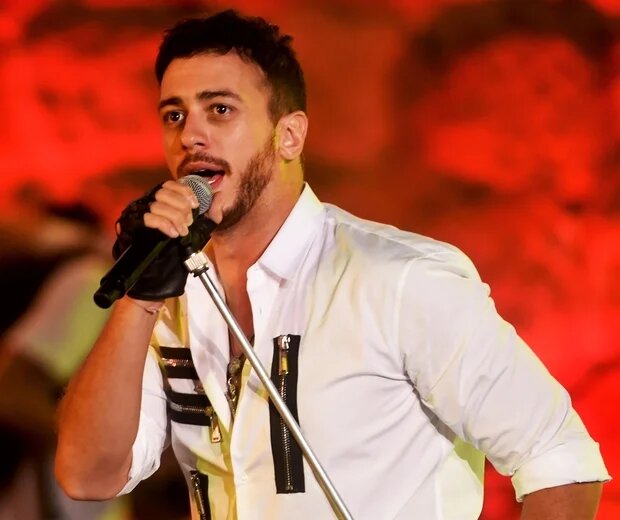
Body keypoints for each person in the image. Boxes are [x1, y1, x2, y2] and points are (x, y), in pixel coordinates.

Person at [55, 10, 610, 519]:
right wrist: (140, 297)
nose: (191, 136)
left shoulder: (400, 279)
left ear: (289, 135)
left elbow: (560, 460)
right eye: (174, 115)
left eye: (220, 110)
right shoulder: (170, 294)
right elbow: (87, 475)